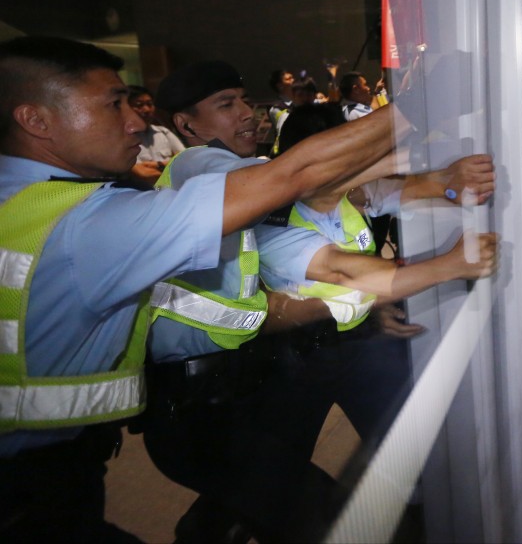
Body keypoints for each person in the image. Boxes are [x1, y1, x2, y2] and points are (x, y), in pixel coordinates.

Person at [0, 35, 410, 542]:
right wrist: (416, 103)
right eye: (112, 105)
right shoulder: (85, 224)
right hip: (41, 478)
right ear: (35, 120)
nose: (135, 122)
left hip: (64, 467)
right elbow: (296, 176)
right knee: (326, 517)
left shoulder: (25, 205)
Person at [141, 61, 496, 542]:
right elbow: (316, 202)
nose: (247, 114)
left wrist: (444, 179)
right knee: (304, 512)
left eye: (244, 100)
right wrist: (414, 116)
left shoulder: (268, 179)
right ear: (186, 125)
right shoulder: (197, 165)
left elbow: (369, 191)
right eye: (227, 105)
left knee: (283, 493)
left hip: (265, 369)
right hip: (212, 395)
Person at [127, 85, 185, 186]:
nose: (146, 109)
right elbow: (144, 174)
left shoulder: (163, 132)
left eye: (150, 104)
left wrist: (158, 165)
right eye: (139, 105)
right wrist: (171, 165)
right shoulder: (124, 138)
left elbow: (186, 159)